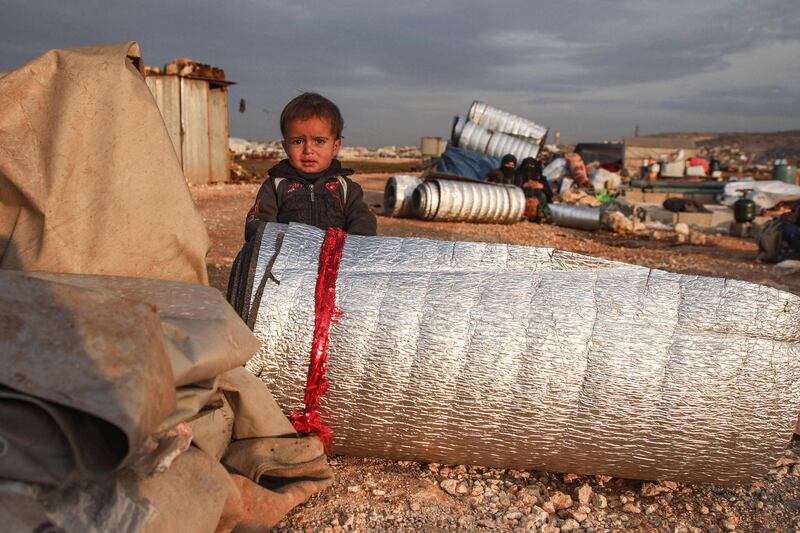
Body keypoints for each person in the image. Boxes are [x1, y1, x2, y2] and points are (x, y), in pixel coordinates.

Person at [244, 92, 377, 241]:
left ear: (335, 146)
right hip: (289, 261)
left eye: (319, 141)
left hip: (334, 260)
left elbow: (364, 221)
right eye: (298, 141)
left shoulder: (346, 188)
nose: (308, 150)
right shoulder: (275, 186)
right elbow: (257, 223)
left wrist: (351, 246)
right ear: (285, 146)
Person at [518, 157, 552, 222]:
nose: (529, 168)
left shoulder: (540, 178)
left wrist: (542, 186)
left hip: (538, 199)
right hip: (522, 197)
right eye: (527, 165)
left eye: (531, 166)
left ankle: (543, 215)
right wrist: (524, 185)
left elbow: (549, 193)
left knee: (541, 194)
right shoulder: (518, 175)